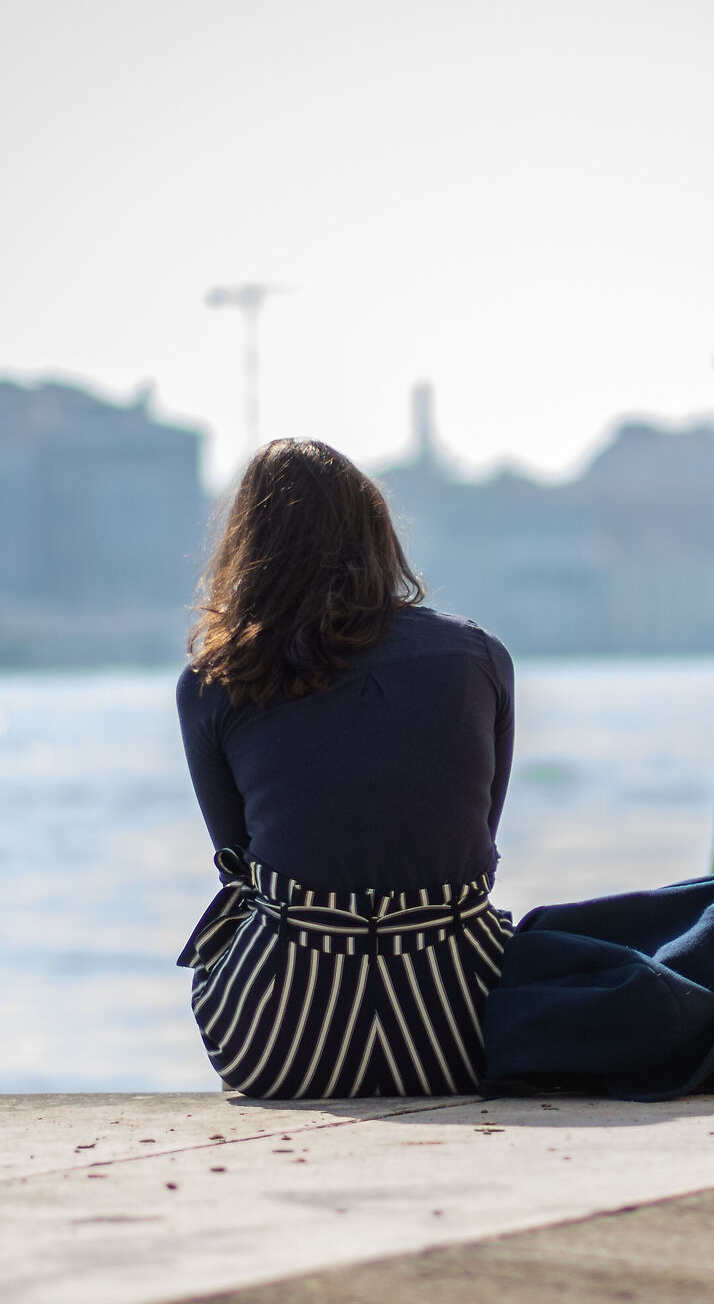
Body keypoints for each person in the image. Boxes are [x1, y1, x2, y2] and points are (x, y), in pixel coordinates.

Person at [174, 438, 514, 1100]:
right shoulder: (478, 656)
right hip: (464, 1031)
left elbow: (237, 860)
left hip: (277, 1046)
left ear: (248, 549)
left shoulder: (214, 681)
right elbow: (480, 841)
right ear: (377, 535)